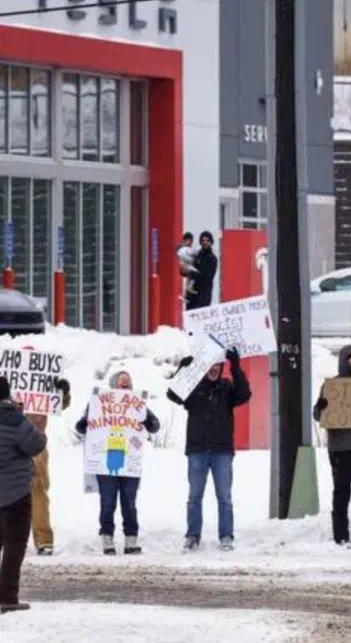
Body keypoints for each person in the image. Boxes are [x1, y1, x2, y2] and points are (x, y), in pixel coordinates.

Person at [167, 347, 250, 551]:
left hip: (222, 450)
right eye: (209, 367)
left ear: (221, 368)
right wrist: (184, 370)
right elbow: (173, 395)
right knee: (195, 496)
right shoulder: (194, 387)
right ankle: (193, 535)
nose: (213, 370)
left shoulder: (227, 387)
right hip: (198, 449)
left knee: (224, 496)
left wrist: (236, 367)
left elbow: (244, 395)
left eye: (217, 366)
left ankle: (226, 535)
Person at [75, 371, 160, 555]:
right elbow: (81, 426)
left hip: (130, 459)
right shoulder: (98, 403)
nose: (126, 384)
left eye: (128, 382)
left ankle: (131, 539)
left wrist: (146, 419)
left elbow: (155, 425)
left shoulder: (137, 404)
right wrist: (85, 424)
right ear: (113, 384)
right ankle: (107, 536)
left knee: (129, 501)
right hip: (106, 461)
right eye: (122, 382)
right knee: (108, 501)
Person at [313, 345, 351, 549]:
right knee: (342, 492)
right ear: (345, 362)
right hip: (340, 448)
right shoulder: (333, 386)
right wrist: (320, 408)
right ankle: (341, 536)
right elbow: (318, 416)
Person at [0, 376, 47, 614]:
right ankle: (7, 598)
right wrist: (38, 429)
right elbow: (36, 445)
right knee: (14, 546)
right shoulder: (16, 419)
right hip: (16, 494)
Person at [25, 372, 70, 557]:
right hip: (7, 443)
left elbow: (61, 404)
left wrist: (62, 392)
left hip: (36, 445)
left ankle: (44, 541)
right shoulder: (6, 386)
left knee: (38, 493)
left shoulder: (43, 388)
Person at [186, 230, 218, 311]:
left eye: (207, 241)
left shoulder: (212, 259)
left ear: (211, 242)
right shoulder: (197, 256)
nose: (205, 242)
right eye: (203, 240)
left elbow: (207, 278)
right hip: (192, 294)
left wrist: (193, 273)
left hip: (204, 295)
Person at [177, 232, 198, 302]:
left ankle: (186, 295)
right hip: (183, 267)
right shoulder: (182, 248)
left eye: (190, 241)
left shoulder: (191, 249)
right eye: (187, 240)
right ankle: (185, 294)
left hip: (188, 268)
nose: (189, 242)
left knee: (192, 276)